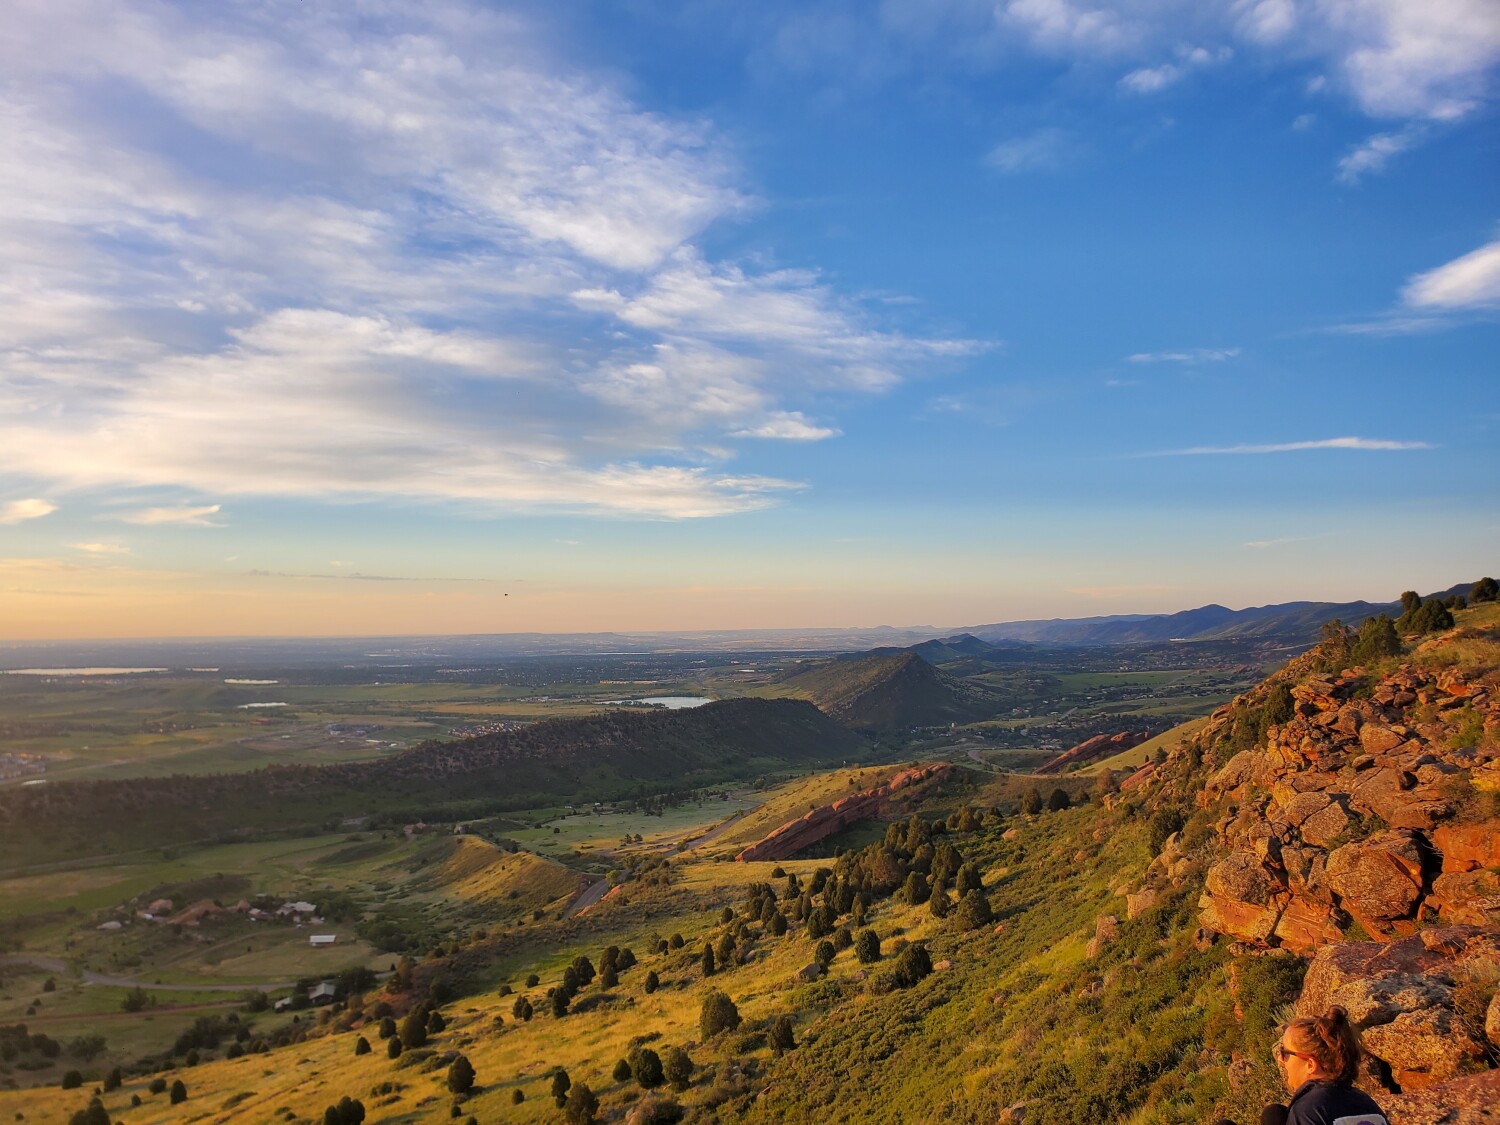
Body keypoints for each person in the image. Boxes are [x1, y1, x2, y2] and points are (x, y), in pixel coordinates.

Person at [1264, 1006, 1387, 1125]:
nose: (1280, 1059)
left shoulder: (1308, 1111)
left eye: (1285, 1053)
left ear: (1310, 1064)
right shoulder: (1366, 1103)